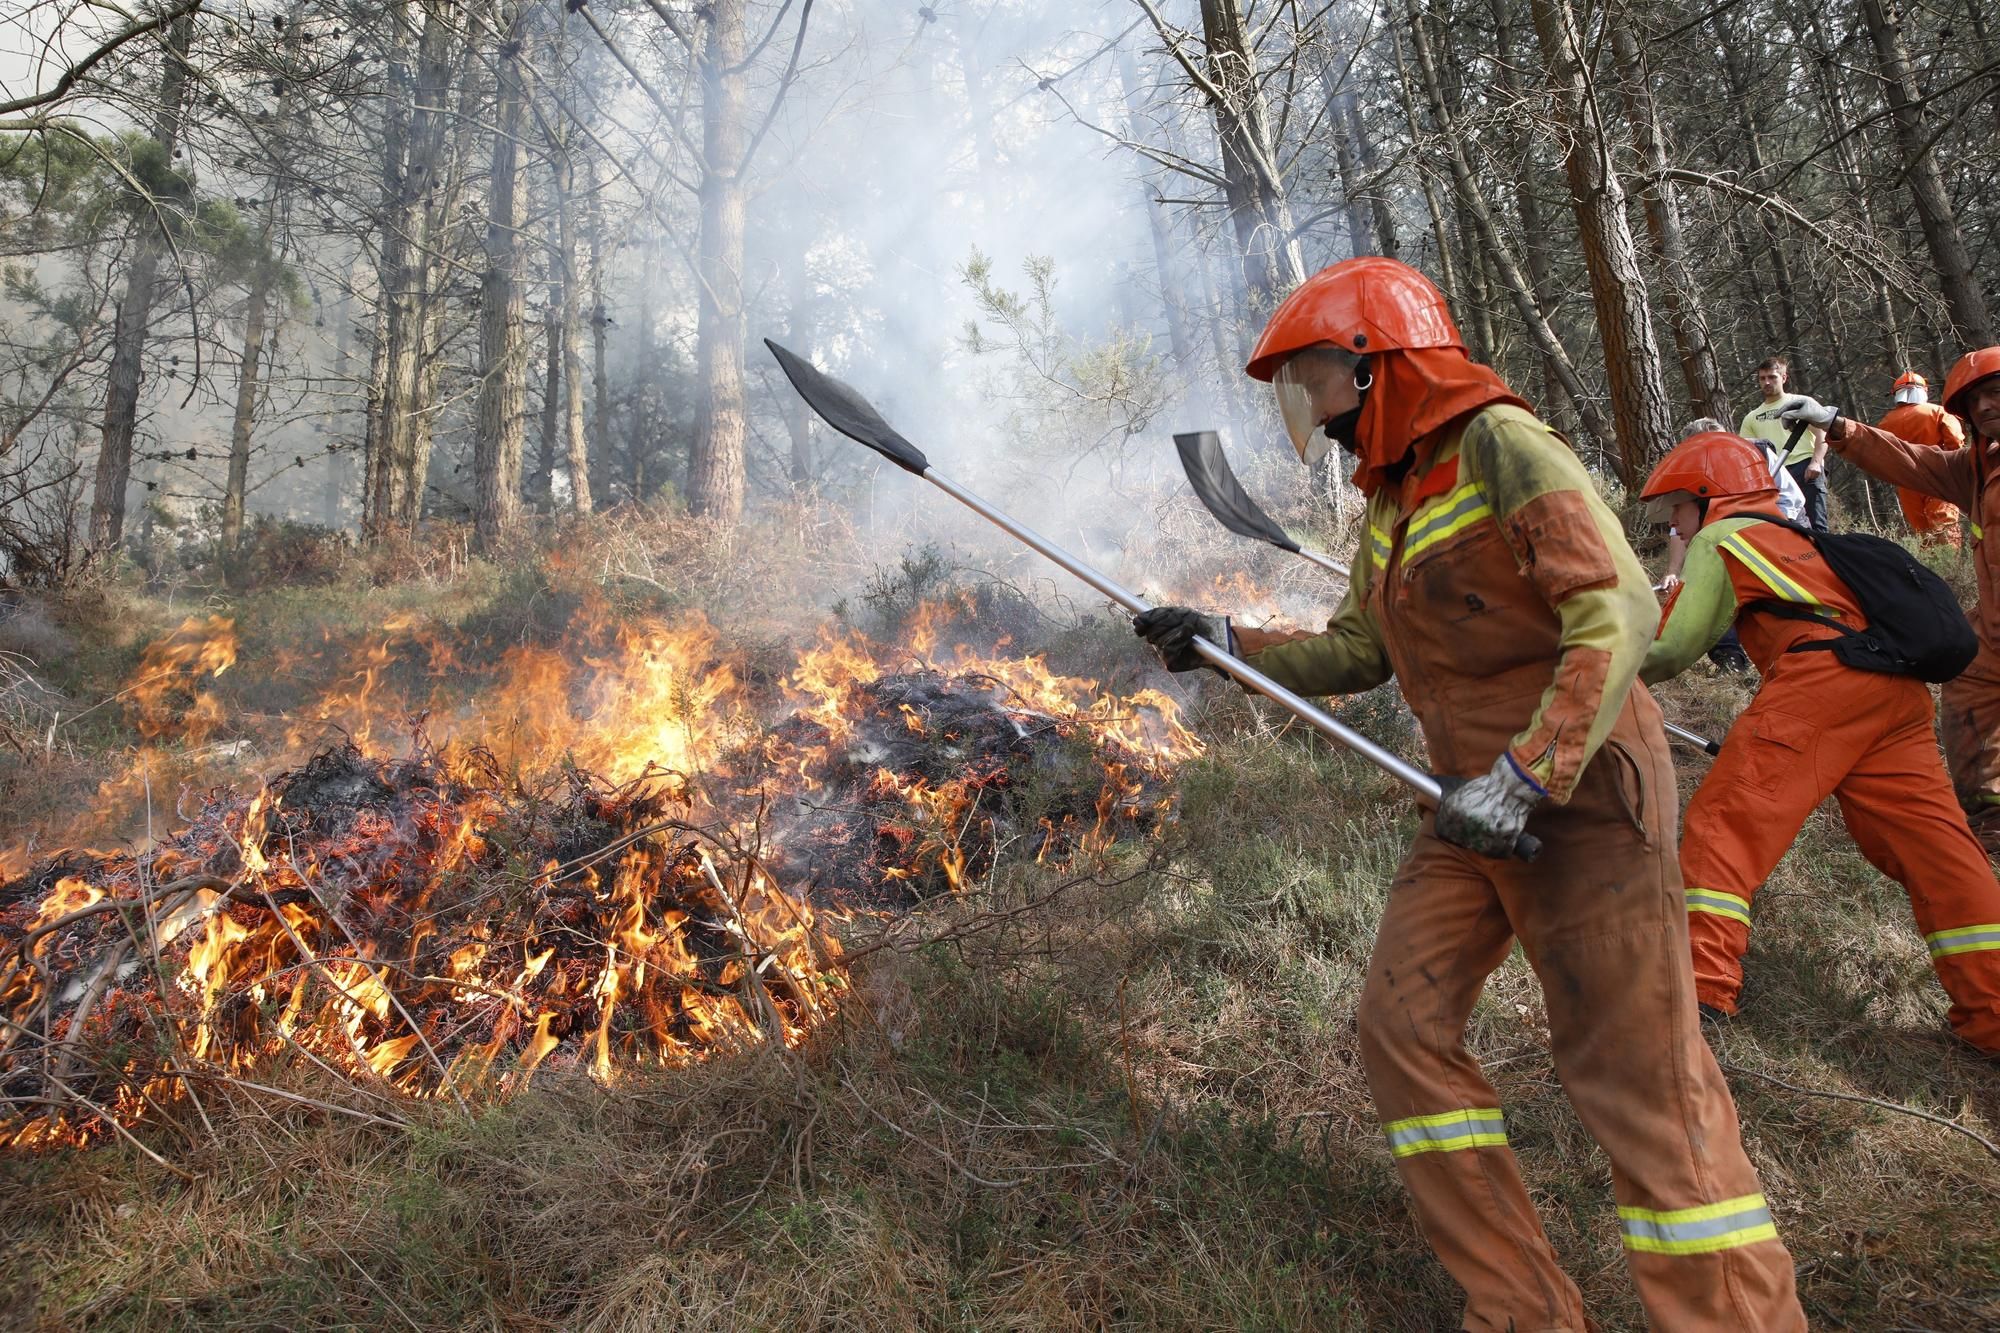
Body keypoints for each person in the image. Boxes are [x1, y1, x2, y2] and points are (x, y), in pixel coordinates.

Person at [1134, 257, 1803, 1330]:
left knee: (1635, 1082)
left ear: (1374, 362)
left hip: (1577, 797)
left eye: (1312, 377)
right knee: (1399, 1027)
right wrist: (1223, 646)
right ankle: (1520, 1310)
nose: (1305, 404)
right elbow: (1359, 648)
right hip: (1460, 806)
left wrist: (1529, 771)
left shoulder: (1502, 443)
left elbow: (1617, 608)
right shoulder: (1392, 498)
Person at [1637, 430, 2000, 1054]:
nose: (1674, 522)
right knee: (1939, 854)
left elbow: (1670, 648)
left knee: (1724, 827)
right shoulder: (1800, 541)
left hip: (1824, 685)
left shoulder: (1728, 535)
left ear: (1709, 495)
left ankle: (1698, 993)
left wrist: (1591, 662)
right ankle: (1994, 1010)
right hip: (1898, 695)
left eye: (1677, 508)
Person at [1769, 352, 2000, 855]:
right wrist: (1836, 425)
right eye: (1973, 400)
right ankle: (1990, 823)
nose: (1983, 406)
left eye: (1994, 393)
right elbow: (1911, 460)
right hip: (1995, 634)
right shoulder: (1978, 466)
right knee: (1970, 684)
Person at [1659, 416, 1806, 672]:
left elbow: (1791, 500)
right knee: (1713, 580)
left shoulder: (1757, 454)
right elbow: (1679, 526)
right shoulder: (1692, 473)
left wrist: (1762, 528)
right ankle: (1730, 659)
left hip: (1781, 534)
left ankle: (1788, 655)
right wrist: (1674, 570)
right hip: (1724, 537)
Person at [1739, 356, 1830, 531]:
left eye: (1772, 377)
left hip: (1805, 470)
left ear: (1784, 377)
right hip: (1776, 477)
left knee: (1817, 528)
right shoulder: (1751, 418)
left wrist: (1816, 462)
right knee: (1788, 530)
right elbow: (1747, 454)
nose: (1767, 382)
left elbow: (1822, 435)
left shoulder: (1801, 403)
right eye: (1762, 378)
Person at [1877, 371, 1965, 548]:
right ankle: (1951, 570)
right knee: (1944, 526)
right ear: (1923, 391)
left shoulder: (1885, 423)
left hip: (1906, 481)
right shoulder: (1938, 412)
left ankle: (1931, 570)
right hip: (1938, 476)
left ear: (1897, 394)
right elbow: (1955, 442)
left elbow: (1881, 456)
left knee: (1922, 532)